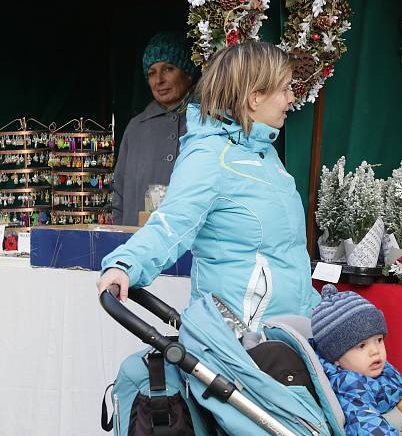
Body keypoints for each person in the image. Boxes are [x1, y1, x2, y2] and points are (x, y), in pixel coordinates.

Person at [97, 41, 320, 326]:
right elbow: (171, 223)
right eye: (286, 88)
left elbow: (284, 253)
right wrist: (125, 265)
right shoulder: (210, 156)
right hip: (241, 338)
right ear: (255, 97)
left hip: (286, 331)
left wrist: (314, 310)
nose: (291, 99)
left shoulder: (264, 153)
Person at [112, 31, 198, 226]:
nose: (159, 80)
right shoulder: (136, 128)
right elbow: (119, 195)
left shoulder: (207, 121)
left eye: (168, 69)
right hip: (137, 246)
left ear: (188, 72)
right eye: (151, 72)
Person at [311, 284, 402, 435]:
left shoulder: (376, 367)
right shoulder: (349, 384)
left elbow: (396, 387)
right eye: (362, 346)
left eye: (379, 340)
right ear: (335, 357)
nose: (375, 351)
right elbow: (366, 426)